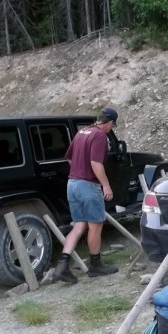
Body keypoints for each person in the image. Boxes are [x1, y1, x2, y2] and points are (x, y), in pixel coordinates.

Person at [53, 107, 120, 283]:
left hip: (72, 184)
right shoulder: (99, 136)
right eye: (113, 125)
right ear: (110, 123)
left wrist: (78, 171)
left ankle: (62, 266)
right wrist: (106, 185)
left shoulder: (82, 132)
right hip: (88, 186)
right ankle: (95, 266)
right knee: (95, 226)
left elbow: (69, 158)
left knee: (79, 226)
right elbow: (96, 163)